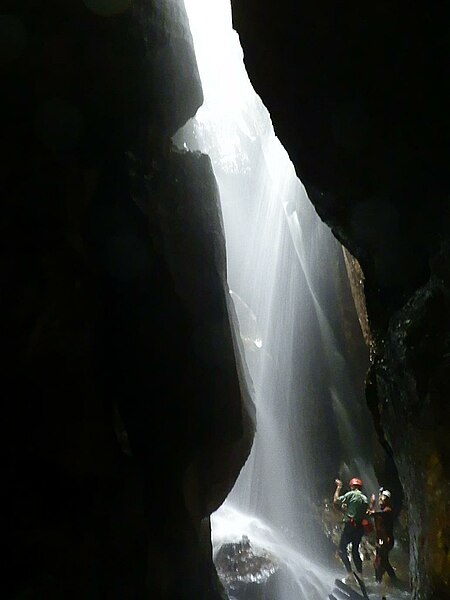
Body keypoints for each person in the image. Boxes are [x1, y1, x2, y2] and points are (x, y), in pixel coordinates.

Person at [333, 477, 369, 579]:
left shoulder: (351, 494)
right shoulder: (364, 499)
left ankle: (350, 574)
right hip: (359, 527)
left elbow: (336, 501)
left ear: (352, 486)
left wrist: (339, 487)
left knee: (341, 549)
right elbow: (360, 513)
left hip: (350, 526)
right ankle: (360, 575)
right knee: (355, 551)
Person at [369, 488, 396, 583]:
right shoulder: (380, 511)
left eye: (382, 499)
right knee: (382, 561)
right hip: (380, 539)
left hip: (386, 540)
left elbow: (376, 513)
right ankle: (389, 579)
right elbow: (371, 513)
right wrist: (372, 504)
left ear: (387, 500)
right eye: (380, 498)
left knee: (380, 562)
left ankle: (380, 581)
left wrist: (373, 509)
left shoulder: (388, 510)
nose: (380, 500)